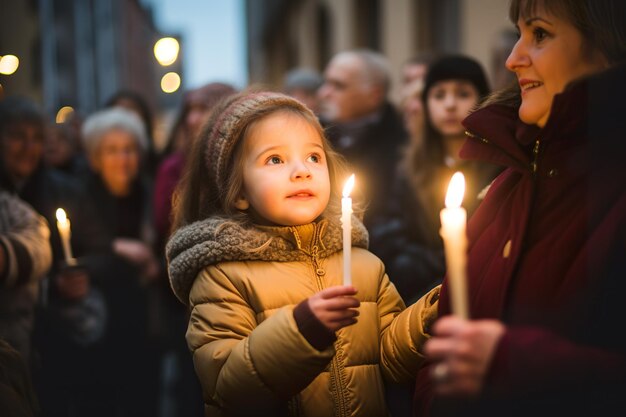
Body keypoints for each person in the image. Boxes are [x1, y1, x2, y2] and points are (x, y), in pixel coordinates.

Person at [166, 91, 441, 416]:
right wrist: (299, 332)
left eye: (313, 157)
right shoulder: (222, 275)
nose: (302, 171)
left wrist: (433, 311)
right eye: (276, 160)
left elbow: (391, 361)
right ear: (238, 190)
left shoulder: (363, 263)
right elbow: (229, 389)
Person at [413, 1, 626, 416]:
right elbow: (445, 342)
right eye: (518, 34)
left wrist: (519, 365)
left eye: (540, 34)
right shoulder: (511, 179)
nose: (512, 59)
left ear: (609, 47)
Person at [370, 55, 500, 305]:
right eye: (439, 95)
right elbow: (391, 235)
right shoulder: (409, 168)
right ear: (426, 103)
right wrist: (436, 262)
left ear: (482, 99)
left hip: (482, 293)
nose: (450, 105)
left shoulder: (497, 166)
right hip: (420, 299)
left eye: (463, 94)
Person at [317, 49, 408, 229]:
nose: (324, 93)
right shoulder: (312, 136)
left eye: (338, 86)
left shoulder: (404, 146)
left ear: (374, 95)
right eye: (326, 82)